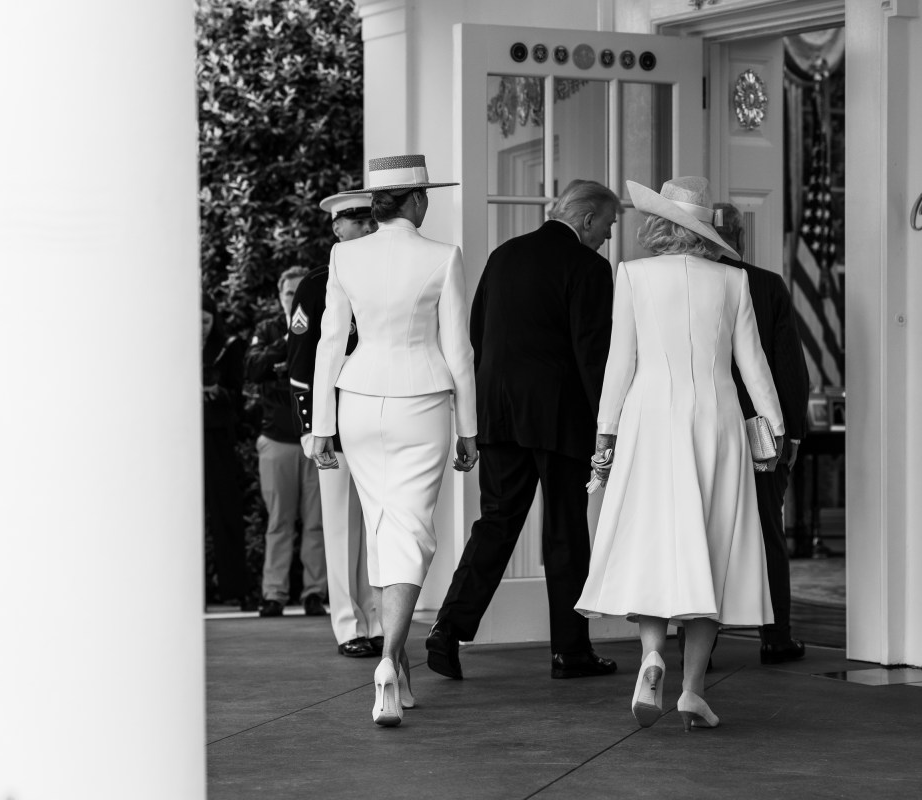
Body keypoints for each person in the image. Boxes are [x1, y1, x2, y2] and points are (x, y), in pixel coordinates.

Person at [575, 177, 784, 732]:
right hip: (716, 421)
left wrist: (605, 433)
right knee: (709, 548)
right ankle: (692, 690)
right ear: (704, 230)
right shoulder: (733, 282)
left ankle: (650, 657)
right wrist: (776, 430)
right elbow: (753, 364)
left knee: (651, 540)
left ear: (660, 223)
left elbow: (618, 363)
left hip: (649, 419)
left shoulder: (633, 276)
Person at [425, 179, 620, 682]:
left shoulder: (504, 255)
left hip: (499, 414)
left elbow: (475, 336)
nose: (608, 237)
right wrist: (610, 424)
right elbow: (592, 354)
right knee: (565, 533)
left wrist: (478, 409)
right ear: (586, 219)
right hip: (559, 417)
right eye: (608, 225)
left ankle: (446, 630)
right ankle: (570, 652)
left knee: (496, 523)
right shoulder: (589, 268)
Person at [311, 154, 478, 727]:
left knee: (383, 525)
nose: (428, 202)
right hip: (422, 401)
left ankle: (397, 661)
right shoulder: (442, 256)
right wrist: (469, 428)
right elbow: (459, 350)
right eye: (424, 194)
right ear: (412, 201)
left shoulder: (344, 255)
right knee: (412, 532)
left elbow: (330, 343)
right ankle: (386, 661)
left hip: (356, 400)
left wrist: (321, 425)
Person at [713, 203, 811, 666]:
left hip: (704, 424)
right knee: (768, 528)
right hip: (758, 427)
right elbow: (788, 368)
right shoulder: (766, 285)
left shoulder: (686, 282)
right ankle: (776, 637)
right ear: (739, 236)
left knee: (705, 529)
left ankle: (700, 645)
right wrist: (791, 434)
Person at [287, 192, 382, 658]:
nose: (361, 229)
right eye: (351, 222)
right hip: (335, 424)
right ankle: (348, 626)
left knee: (376, 526)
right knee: (342, 528)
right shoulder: (318, 283)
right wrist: (311, 426)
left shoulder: (384, 278)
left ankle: (376, 616)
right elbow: (301, 364)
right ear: (336, 229)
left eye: (367, 220)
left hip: (376, 417)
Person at [247, 266, 326, 619]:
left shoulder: (322, 323)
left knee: (317, 523)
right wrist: (286, 347)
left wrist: (282, 362)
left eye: (298, 292)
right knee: (278, 521)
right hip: (277, 440)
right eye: (287, 293)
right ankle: (274, 594)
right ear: (280, 296)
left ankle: (314, 592)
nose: (293, 298)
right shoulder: (268, 330)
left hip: (314, 439)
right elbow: (253, 368)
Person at [201, 294, 251, 609]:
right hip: (183, 441)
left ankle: (237, 588)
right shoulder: (173, 346)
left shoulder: (228, 346)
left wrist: (214, 392)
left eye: (206, 321)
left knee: (226, 513)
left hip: (217, 438)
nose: (201, 328)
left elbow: (238, 392)